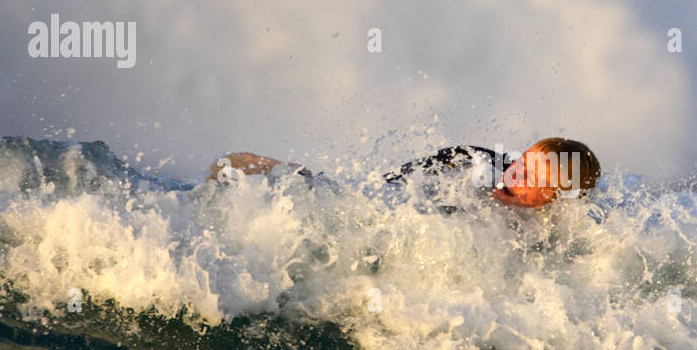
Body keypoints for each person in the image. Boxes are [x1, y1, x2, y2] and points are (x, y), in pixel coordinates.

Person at [206, 138, 601, 209]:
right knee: (338, 196)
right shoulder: (481, 173)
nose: (517, 178)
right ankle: (256, 164)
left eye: (534, 181)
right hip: (417, 189)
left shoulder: (555, 222)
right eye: (522, 165)